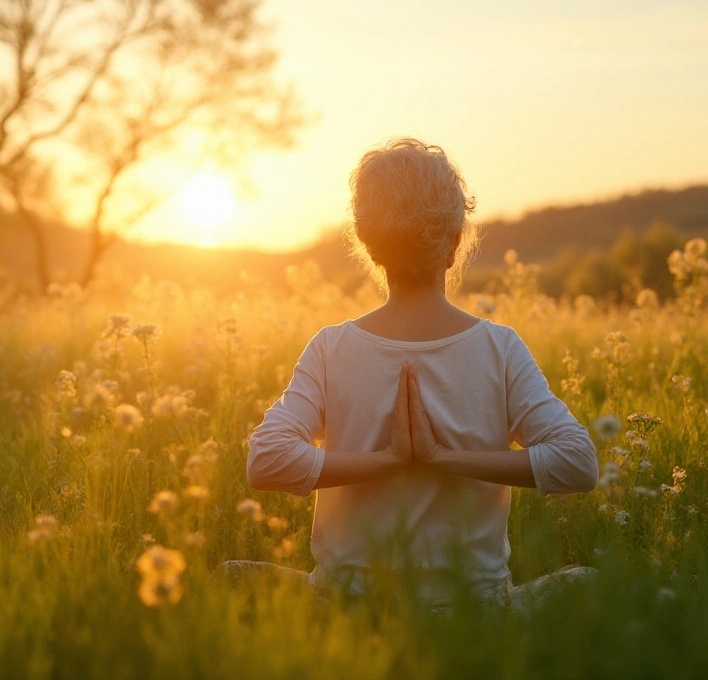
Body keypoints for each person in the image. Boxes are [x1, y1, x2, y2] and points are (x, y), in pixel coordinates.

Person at [236, 138, 599, 610]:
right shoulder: (499, 348)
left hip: (349, 608)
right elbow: (579, 465)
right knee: (588, 582)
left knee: (233, 577)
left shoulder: (332, 347)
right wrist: (439, 457)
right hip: (474, 614)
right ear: (453, 243)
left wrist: (399, 458)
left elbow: (266, 461)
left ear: (369, 245)